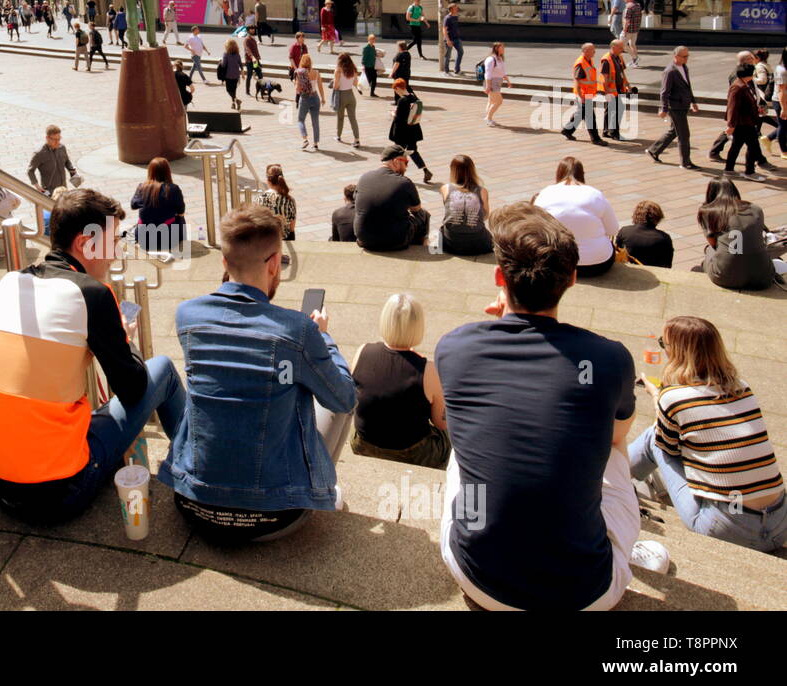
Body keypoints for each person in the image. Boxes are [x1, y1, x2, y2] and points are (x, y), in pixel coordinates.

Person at [436, 201, 660, 611]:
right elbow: (614, 438)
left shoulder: (455, 347)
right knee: (612, 448)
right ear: (573, 278)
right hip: (587, 594)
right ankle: (628, 542)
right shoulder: (609, 359)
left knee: (463, 456)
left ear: (499, 278)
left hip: (478, 576)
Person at [0, 189, 186, 525]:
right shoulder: (92, 294)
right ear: (86, 244)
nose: (116, 254)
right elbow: (133, 388)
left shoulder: (10, 282)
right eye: (112, 242)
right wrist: (124, 337)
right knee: (163, 370)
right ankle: (198, 468)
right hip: (58, 492)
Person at [158, 204, 356, 543]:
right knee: (329, 390)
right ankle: (324, 489)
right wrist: (322, 337)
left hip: (194, 505)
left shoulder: (187, 316)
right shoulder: (297, 331)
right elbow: (343, 397)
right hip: (274, 517)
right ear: (275, 262)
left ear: (224, 262)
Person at [631, 317, 785, 553]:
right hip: (779, 524)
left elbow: (667, 447)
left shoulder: (673, 398)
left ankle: (610, 482)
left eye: (665, 344)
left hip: (726, 528)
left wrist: (658, 400)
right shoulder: (742, 388)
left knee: (655, 438)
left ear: (679, 353)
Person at [349, 293, 450, 469]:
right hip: (413, 453)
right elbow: (441, 422)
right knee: (451, 433)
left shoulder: (362, 352)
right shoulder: (428, 370)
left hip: (364, 444)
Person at [533, 157, 619, 278]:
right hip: (598, 264)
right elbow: (613, 230)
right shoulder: (595, 194)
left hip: (557, 264)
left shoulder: (545, 193)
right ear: (582, 174)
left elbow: (535, 231)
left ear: (558, 173)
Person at [697, 176, 781, 290]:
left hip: (726, 277)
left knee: (709, 250)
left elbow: (713, 244)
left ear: (710, 193)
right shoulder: (756, 209)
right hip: (762, 276)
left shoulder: (708, 211)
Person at [354, 145, 430, 251]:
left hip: (365, 240)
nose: (406, 167)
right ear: (396, 161)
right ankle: (421, 248)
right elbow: (416, 209)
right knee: (424, 214)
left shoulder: (364, 177)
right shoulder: (404, 182)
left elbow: (357, 202)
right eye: (406, 162)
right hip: (395, 241)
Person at [647, 46, 699, 168]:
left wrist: (693, 101)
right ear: (675, 56)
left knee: (674, 131)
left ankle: (654, 150)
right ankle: (685, 163)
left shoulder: (684, 67)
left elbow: (687, 86)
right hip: (675, 106)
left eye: (688, 56)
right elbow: (664, 92)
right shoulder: (670, 71)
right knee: (684, 134)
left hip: (683, 104)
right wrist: (664, 108)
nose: (687, 58)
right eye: (684, 56)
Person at [130, 157, 186, 254]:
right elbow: (181, 210)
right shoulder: (173, 189)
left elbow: (133, 205)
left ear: (150, 171)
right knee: (180, 216)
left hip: (145, 240)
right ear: (168, 171)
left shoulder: (142, 187)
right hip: (170, 240)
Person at [723, 62, 768, 182]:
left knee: (736, 146)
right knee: (753, 146)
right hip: (743, 123)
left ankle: (729, 169)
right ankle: (749, 171)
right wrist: (731, 125)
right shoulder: (738, 87)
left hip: (745, 121)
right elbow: (732, 107)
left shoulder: (743, 84)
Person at [438, 154, 492, 255]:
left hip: (450, 243)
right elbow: (486, 216)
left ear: (453, 171)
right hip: (478, 244)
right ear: (472, 170)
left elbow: (449, 211)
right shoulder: (482, 191)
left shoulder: (445, 188)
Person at [561, 42, 607, 146]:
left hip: (588, 94)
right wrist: (581, 96)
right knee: (590, 117)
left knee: (580, 114)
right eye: (592, 50)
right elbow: (577, 80)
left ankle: (567, 130)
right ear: (585, 51)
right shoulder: (581, 63)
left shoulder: (589, 60)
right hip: (584, 94)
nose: (594, 51)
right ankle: (595, 139)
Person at [388, 78, 432, 182]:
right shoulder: (413, 97)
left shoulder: (402, 100)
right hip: (413, 130)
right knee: (413, 152)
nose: (396, 92)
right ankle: (426, 170)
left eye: (395, 90)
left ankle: (398, 173)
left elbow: (399, 118)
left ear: (398, 88)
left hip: (402, 132)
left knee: (398, 152)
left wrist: (393, 114)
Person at [615, 201, 673, 268]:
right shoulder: (664, 238)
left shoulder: (625, 231)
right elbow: (667, 265)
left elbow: (617, 254)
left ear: (636, 215)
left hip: (629, 271)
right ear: (658, 217)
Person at [27, 124, 79, 195]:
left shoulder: (62, 148)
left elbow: (67, 161)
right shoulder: (39, 154)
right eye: (55, 139)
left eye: (59, 139)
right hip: (49, 191)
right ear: (47, 138)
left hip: (63, 188)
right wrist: (37, 186)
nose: (58, 142)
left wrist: (71, 169)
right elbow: (30, 171)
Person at [255, 164, 297, 246]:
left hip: (267, 239)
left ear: (268, 181)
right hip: (285, 237)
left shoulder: (260, 199)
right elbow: (292, 225)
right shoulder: (290, 200)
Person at [599, 39, 631, 140]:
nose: (622, 49)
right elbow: (604, 77)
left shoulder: (619, 57)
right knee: (618, 109)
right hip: (611, 89)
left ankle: (606, 131)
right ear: (613, 47)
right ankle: (614, 133)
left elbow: (622, 73)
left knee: (610, 110)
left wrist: (628, 85)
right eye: (620, 47)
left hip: (618, 88)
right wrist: (607, 91)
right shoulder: (606, 60)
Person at [294, 53, 324, 151]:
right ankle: (315, 143)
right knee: (315, 122)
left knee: (300, 119)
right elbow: (320, 86)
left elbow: (298, 89)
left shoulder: (300, 73)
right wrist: (323, 98)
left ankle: (305, 139)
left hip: (305, 98)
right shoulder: (316, 72)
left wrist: (295, 83)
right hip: (315, 98)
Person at [330, 52, 361, 146]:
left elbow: (336, 86)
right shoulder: (353, 69)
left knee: (340, 118)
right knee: (353, 119)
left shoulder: (338, 70)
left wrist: (333, 82)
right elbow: (356, 84)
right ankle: (357, 139)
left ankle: (338, 136)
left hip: (341, 95)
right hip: (351, 95)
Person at [480, 42, 510, 127]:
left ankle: (488, 117)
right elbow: (488, 74)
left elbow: (503, 72)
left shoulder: (499, 58)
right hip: (492, 82)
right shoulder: (491, 59)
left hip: (498, 82)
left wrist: (508, 81)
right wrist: (488, 86)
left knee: (491, 101)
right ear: (497, 48)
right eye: (502, 47)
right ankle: (488, 118)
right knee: (499, 101)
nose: (504, 49)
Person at [220, 38, 243, 110]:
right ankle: (233, 103)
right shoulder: (237, 54)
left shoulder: (226, 54)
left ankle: (236, 100)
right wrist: (242, 72)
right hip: (236, 75)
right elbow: (240, 64)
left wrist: (220, 62)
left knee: (228, 90)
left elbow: (223, 65)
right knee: (234, 90)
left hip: (228, 75)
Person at [622, 0, 642, 66]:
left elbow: (627, 20)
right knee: (632, 44)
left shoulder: (628, 7)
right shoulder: (638, 6)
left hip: (628, 30)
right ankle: (635, 62)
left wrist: (624, 30)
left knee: (622, 45)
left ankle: (635, 58)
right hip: (635, 30)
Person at [442, 3, 463, 75]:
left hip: (457, 38)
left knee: (461, 52)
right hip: (450, 39)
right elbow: (444, 29)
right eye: (455, 8)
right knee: (448, 56)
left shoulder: (456, 16)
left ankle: (457, 70)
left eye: (457, 7)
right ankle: (446, 71)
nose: (457, 8)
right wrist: (448, 40)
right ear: (451, 9)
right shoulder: (447, 18)